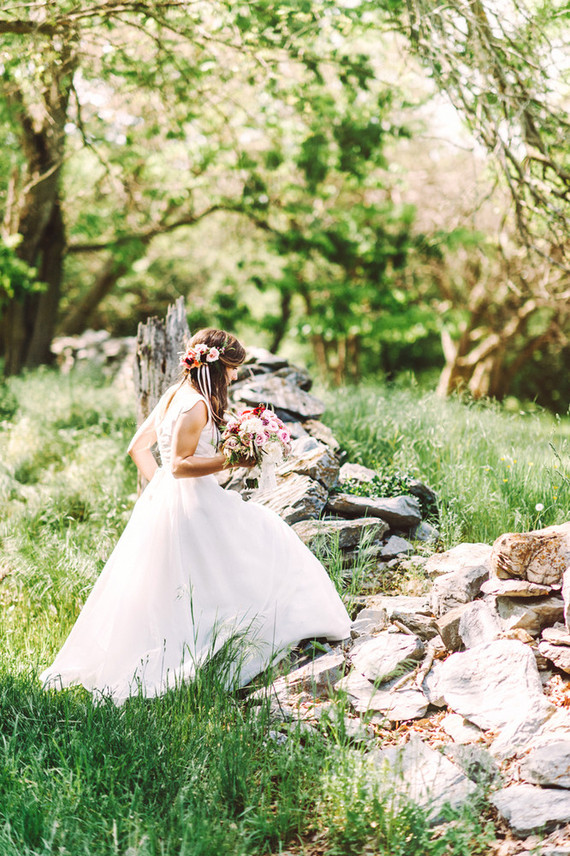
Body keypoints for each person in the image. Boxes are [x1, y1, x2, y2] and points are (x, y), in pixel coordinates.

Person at [40, 328, 351, 702]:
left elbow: (137, 448)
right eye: (234, 369)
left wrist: (160, 492)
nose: (236, 377)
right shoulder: (197, 405)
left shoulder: (175, 394)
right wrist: (233, 458)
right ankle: (272, 629)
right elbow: (180, 464)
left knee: (187, 579)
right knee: (270, 536)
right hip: (196, 502)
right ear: (218, 367)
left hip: (174, 502)